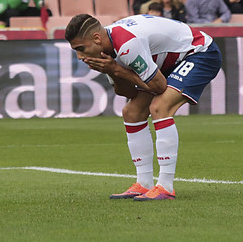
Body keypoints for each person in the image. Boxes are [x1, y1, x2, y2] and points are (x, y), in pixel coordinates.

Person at [65, 13, 222, 200]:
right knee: (131, 112)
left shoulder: (127, 45)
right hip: (166, 61)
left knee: (160, 106)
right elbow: (127, 92)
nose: (80, 56)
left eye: (81, 48)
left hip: (199, 52)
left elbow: (158, 86)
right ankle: (144, 183)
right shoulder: (108, 49)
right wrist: (113, 71)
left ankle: (165, 186)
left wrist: (115, 69)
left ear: (96, 38)